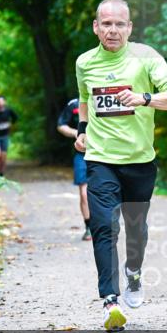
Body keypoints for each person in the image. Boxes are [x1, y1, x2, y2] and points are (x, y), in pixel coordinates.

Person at [74, 0, 167, 331]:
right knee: (103, 226)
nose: (113, 30)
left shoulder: (145, 57)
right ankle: (110, 300)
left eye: (120, 24)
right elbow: (84, 100)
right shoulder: (84, 63)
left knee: (136, 229)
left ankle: (133, 272)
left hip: (139, 160)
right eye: (106, 23)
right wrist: (81, 131)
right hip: (101, 158)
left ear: (129, 28)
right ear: (96, 27)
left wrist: (144, 98)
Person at [57, 97, 92, 241]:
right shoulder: (74, 104)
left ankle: (105, 225)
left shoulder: (103, 96)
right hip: (82, 154)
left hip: (105, 153)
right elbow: (61, 125)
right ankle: (89, 227)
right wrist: (76, 133)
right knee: (84, 193)